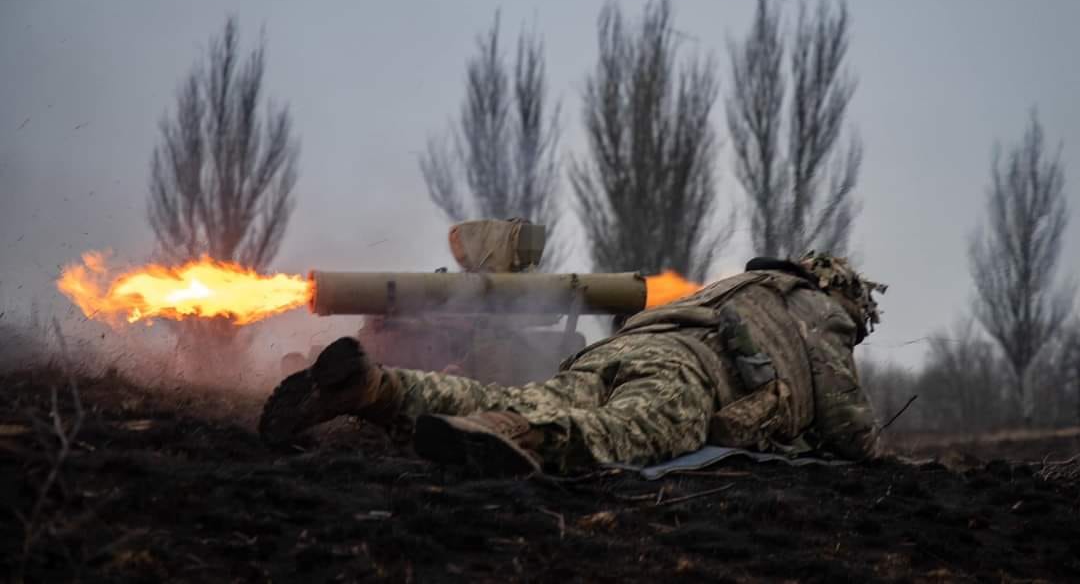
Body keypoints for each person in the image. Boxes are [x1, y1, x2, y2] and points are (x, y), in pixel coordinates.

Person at [259, 253, 887, 476]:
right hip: (687, 374)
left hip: (619, 350)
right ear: (842, 292)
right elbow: (847, 427)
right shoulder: (820, 310)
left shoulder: (733, 288)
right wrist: (878, 452)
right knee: (623, 434)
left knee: (535, 395)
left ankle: (377, 389)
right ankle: (513, 437)